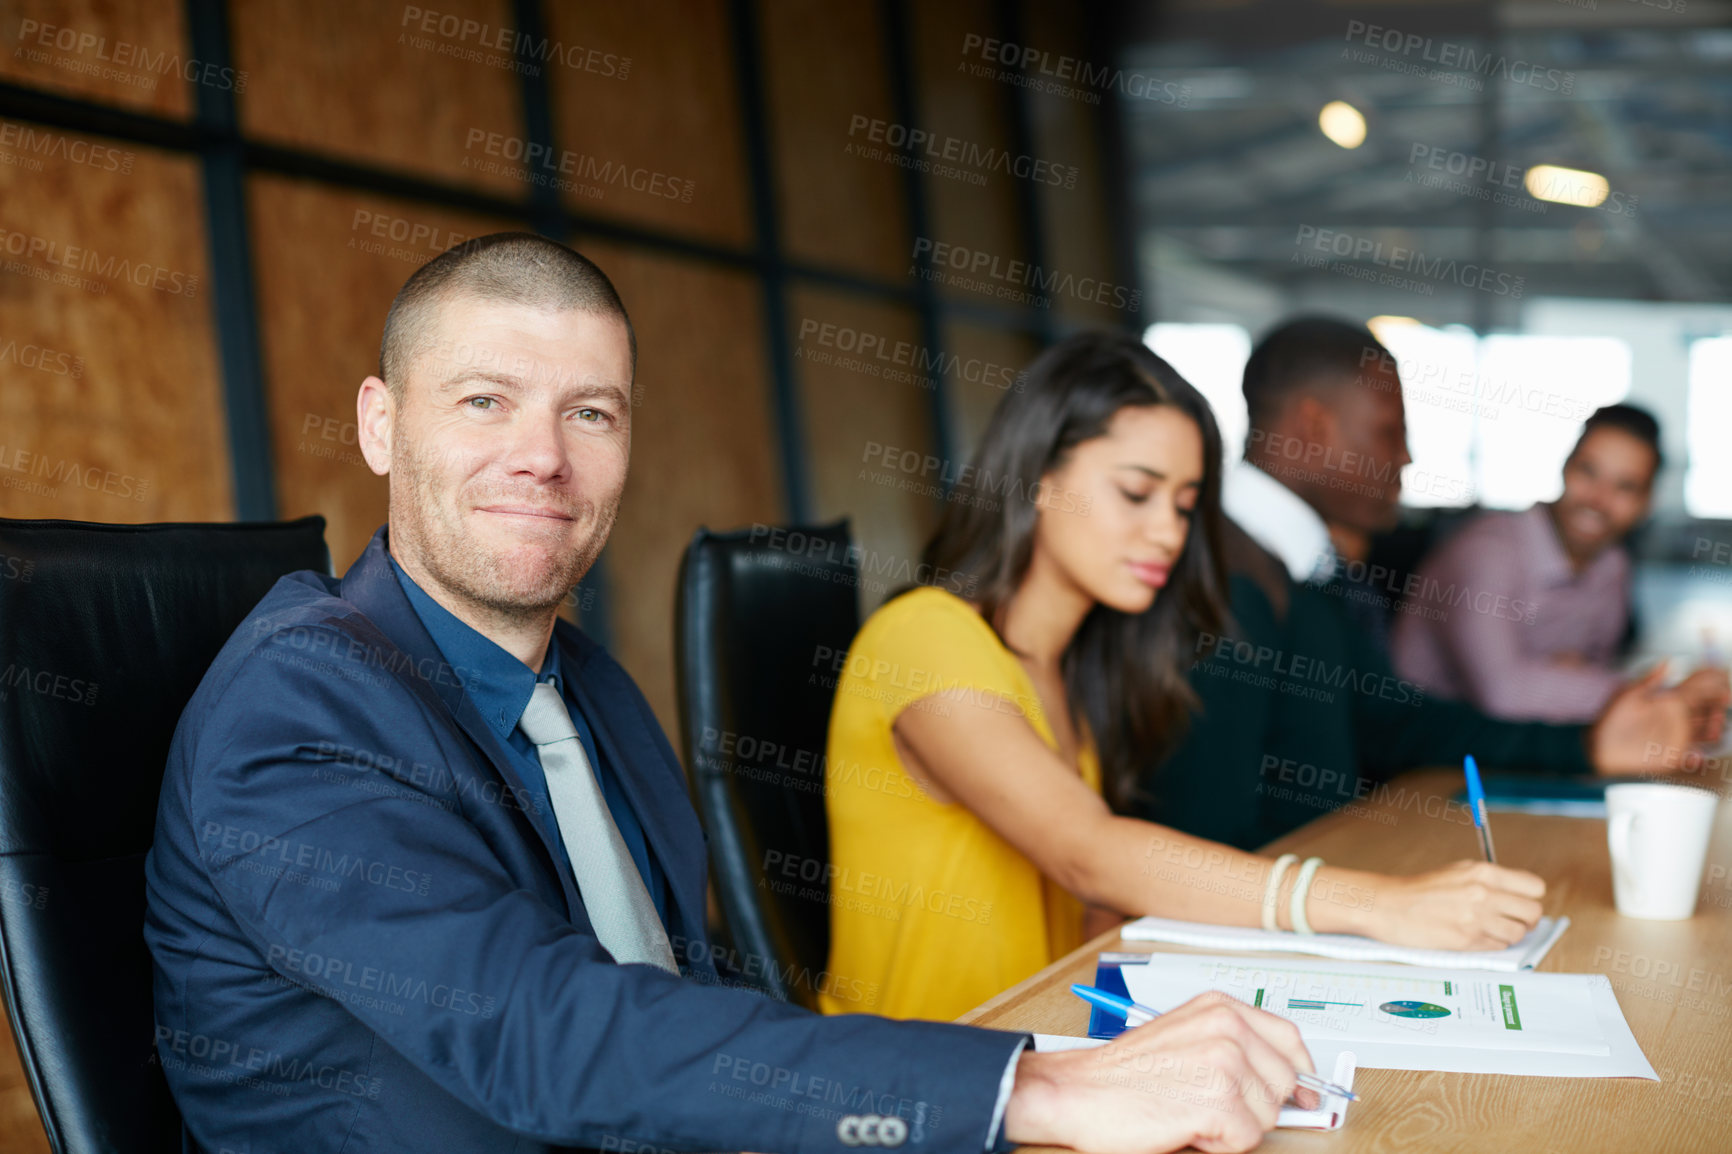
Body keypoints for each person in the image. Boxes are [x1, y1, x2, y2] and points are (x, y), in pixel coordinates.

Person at [144, 233, 1319, 1154]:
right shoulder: (300, 704)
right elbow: (543, 1032)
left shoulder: (587, 681)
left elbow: (681, 984)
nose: (543, 456)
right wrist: (1035, 1081)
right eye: (483, 400)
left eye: (589, 412)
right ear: (380, 426)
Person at [821, 332, 1553, 1025]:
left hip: (1043, 1048)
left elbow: (1093, 916)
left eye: (1183, 504)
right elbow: (1089, 853)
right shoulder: (925, 637)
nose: (1169, 533)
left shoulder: (1078, 664)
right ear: (1038, 481)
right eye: (1136, 494)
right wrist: (1380, 903)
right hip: (915, 1084)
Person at [1130, 317, 1704, 852]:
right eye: (1389, 432)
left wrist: (1585, 745)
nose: (1406, 458)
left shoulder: (1297, 571)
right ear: (1313, 428)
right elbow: (1201, 847)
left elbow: (1397, 725)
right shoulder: (1221, 583)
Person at [1391, 403, 1730, 730]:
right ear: (1565, 467)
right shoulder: (1485, 553)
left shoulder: (1613, 566)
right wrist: (1662, 693)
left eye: (1625, 486)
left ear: (1646, 504)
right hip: (1419, 762)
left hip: (1524, 751)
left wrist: (1568, 681)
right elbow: (1504, 694)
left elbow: (1586, 677)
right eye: (1588, 471)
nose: (1597, 499)